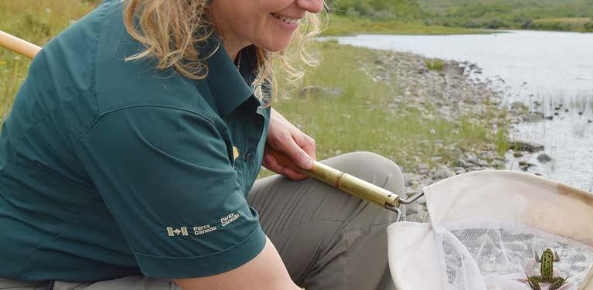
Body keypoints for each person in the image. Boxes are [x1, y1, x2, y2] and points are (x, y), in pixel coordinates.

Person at [0, 0, 405, 289]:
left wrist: (252, 118)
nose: (313, 5)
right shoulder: (146, 109)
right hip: (71, 276)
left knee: (371, 183)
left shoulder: (187, 21)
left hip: (139, 241)